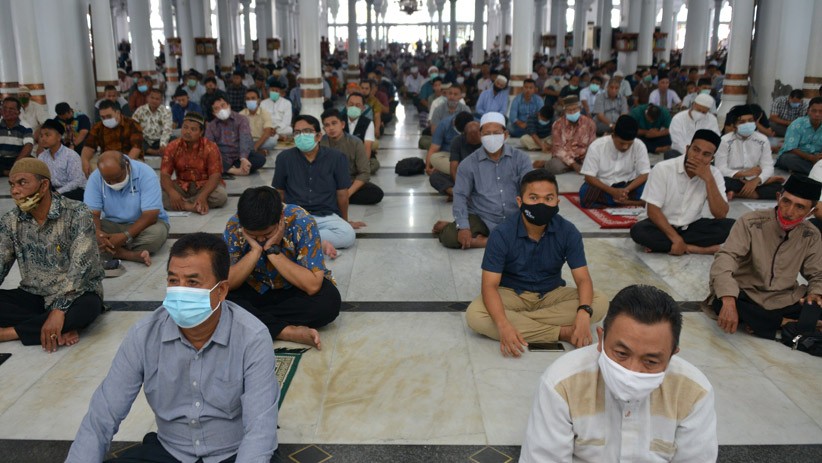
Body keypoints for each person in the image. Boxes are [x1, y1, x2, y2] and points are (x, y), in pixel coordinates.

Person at [66, 233, 280, 463]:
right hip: (170, 450)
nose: (180, 291)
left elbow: (259, 430)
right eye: (173, 281)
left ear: (221, 291)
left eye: (192, 282)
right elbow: (102, 416)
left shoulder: (252, 337)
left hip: (233, 452)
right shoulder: (144, 335)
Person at [520, 284, 717, 462]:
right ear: (601, 340)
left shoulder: (694, 393)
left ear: (672, 355)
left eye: (650, 361)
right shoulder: (561, 384)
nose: (632, 371)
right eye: (621, 354)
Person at [465, 169, 607, 355]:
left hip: (551, 293)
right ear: (520, 201)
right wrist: (503, 323)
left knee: (600, 302)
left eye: (548, 198)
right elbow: (489, 286)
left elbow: (583, 280)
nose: (541, 204)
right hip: (511, 295)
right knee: (475, 315)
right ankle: (562, 332)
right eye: (533, 198)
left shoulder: (568, 231)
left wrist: (582, 312)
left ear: (557, 201)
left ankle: (520, 322)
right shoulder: (502, 234)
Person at [0, 158, 103, 351]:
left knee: (88, 308)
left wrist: (59, 309)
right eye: (12, 184)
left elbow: (81, 268)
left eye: (22, 183)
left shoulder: (77, 213)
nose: (15, 191)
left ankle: (10, 333)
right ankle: (55, 327)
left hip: (76, 294)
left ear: (44, 184)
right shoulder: (11, 221)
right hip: (33, 294)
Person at [224, 187, 341, 349]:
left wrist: (273, 251)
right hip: (255, 288)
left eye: (266, 234)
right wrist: (255, 251)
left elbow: (312, 285)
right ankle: (286, 331)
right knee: (220, 298)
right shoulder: (234, 225)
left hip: (294, 289)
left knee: (328, 303)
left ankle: (256, 321)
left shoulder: (301, 221)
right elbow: (228, 282)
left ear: (280, 218)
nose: (260, 240)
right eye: (253, 236)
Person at [709, 175, 822, 340]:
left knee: (815, 304)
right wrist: (728, 299)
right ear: (778, 197)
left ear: (810, 212)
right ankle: (786, 323)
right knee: (721, 303)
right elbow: (726, 257)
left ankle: (768, 323)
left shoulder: (811, 234)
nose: (790, 212)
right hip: (748, 295)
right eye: (786, 202)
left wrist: (815, 294)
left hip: (784, 299)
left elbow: (818, 274)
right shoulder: (751, 222)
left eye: (799, 207)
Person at [432, 112, 533, 249]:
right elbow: (460, 196)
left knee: (545, 230)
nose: (492, 137)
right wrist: (463, 226)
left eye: (496, 133)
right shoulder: (468, 164)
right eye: (487, 133)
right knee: (450, 237)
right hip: (483, 217)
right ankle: (463, 228)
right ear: (480, 136)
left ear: (506, 135)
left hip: (515, 216)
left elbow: (531, 190)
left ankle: (484, 241)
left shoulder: (521, 159)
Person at [630, 129, 734, 255]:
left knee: (732, 227)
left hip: (691, 226)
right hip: (661, 226)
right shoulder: (663, 168)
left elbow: (721, 214)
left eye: (706, 154)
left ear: (712, 158)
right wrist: (676, 238)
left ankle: (669, 246)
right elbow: (653, 211)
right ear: (687, 148)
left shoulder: (714, 174)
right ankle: (695, 248)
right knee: (639, 231)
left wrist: (708, 180)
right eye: (695, 150)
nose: (699, 157)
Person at [273, 115, 358, 259]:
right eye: (297, 132)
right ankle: (319, 242)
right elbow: (279, 193)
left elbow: (342, 195)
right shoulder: (284, 158)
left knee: (348, 235)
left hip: (326, 216)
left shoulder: (336, 158)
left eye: (306, 131)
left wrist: (344, 221)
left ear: (318, 136)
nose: (301, 136)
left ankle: (297, 241)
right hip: (295, 216)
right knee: (275, 231)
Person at [85, 151, 170, 266]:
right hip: (113, 224)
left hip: (145, 224)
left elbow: (151, 216)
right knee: (84, 231)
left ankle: (108, 248)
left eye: (117, 178)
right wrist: (98, 234)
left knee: (155, 236)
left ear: (127, 165)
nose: (114, 183)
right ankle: (130, 255)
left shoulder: (146, 173)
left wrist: (125, 236)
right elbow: (92, 214)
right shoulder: (95, 178)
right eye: (108, 180)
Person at [161, 113, 227, 214]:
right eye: (185, 127)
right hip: (182, 185)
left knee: (221, 196)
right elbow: (164, 174)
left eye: (193, 129)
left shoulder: (210, 147)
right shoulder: (172, 146)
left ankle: (186, 203)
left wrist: (203, 196)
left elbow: (215, 176)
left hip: (204, 186)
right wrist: (172, 193)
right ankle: (192, 206)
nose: (187, 132)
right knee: (159, 194)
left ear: (201, 132)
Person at [579, 116, 650, 208]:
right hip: (604, 186)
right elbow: (589, 177)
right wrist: (612, 191)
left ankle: (618, 202)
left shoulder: (639, 145)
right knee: (585, 193)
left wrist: (626, 190)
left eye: (629, 144)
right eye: (622, 143)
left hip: (629, 185)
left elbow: (644, 174)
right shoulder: (597, 146)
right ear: (613, 136)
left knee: (650, 188)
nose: (625, 147)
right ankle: (630, 203)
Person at [715, 105, 783, 200]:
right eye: (742, 122)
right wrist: (743, 174)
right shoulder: (725, 140)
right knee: (720, 181)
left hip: (754, 179)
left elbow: (768, 166)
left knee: (779, 189)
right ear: (734, 125)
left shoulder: (762, 140)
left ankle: (736, 194)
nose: (747, 124)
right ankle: (754, 191)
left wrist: (756, 181)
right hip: (733, 178)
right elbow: (720, 168)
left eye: (750, 120)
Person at [320, 108, 384, 205]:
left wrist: (347, 194)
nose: (331, 128)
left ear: (342, 124)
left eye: (334, 123)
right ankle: (333, 197)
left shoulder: (355, 142)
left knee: (376, 193)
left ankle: (336, 198)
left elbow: (364, 173)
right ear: (324, 129)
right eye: (327, 125)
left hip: (350, 182)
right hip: (329, 183)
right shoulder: (320, 143)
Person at [205, 96, 266, 177]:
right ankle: (233, 170)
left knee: (260, 159)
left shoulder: (241, 119)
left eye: (223, 105)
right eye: (217, 108)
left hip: (239, 156)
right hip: (222, 157)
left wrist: (243, 158)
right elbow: (209, 146)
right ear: (213, 113)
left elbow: (245, 139)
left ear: (229, 105)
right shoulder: (211, 125)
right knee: (207, 158)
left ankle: (226, 169)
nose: (221, 110)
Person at [81, 100, 143, 176]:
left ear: (118, 113)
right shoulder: (98, 127)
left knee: (136, 169)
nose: (106, 119)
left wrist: (125, 164)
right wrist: (85, 161)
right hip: (107, 159)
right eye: (103, 117)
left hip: (130, 158)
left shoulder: (132, 124)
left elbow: (136, 148)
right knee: (89, 167)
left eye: (109, 116)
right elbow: (88, 147)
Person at [540, 96, 596, 174]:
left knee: (599, 164)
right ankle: (546, 164)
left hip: (583, 157)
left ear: (580, 109)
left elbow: (592, 145)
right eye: (569, 110)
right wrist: (573, 164)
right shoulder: (557, 124)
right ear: (564, 111)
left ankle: (570, 168)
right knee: (554, 166)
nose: (572, 112)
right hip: (564, 158)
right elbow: (558, 148)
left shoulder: (589, 123)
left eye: (575, 109)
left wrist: (587, 160)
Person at [429, 118, 482, 200]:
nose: (474, 143)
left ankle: (463, 194)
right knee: (435, 176)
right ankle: (457, 193)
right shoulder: (457, 141)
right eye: (471, 139)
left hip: (481, 176)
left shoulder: (486, 141)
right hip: (462, 176)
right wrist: (459, 185)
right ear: (464, 135)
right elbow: (453, 167)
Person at [36, 119, 86, 201]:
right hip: (54, 190)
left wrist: (58, 193)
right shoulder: (42, 157)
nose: (43, 138)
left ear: (59, 137)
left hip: (74, 191)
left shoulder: (71, 155)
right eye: (41, 136)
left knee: (57, 200)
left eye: (47, 135)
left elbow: (77, 182)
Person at [775, 96, 822, 176]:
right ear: (808, 111)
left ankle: (814, 171)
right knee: (788, 159)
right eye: (814, 111)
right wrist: (811, 158)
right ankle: (817, 172)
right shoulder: (797, 124)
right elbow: (791, 148)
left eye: (821, 111)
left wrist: (818, 157)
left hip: (816, 158)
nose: (817, 114)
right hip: (797, 156)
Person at [668, 93, 719, 158]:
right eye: (698, 110)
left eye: (704, 112)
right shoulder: (678, 118)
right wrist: (692, 154)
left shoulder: (711, 119)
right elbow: (677, 142)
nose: (700, 113)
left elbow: (714, 139)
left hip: (703, 155)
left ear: (708, 111)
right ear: (693, 105)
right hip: (681, 153)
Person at [131, 88, 173, 156]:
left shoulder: (166, 112)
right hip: (145, 141)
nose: (154, 101)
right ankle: (152, 152)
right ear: (148, 98)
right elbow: (133, 127)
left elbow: (167, 130)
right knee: (135, 139)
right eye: (152, 98)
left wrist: (163, 145)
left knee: (174, 140)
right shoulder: (140, 110)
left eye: (157, 99)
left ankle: (159, 151)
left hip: (159, 141)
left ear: (161, 100)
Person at [0, 97, 34, 173]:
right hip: (1, 160)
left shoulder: (25, 127)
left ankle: (8, 172)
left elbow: (28, 146)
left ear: (18, 112)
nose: (7, 111)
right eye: (4, 108)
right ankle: (7, 172)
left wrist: (16, 165)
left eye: (11, 109)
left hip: (18, 159)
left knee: (32, 163)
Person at [240, 88, 277, 154]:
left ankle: (252, 151)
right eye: (248, 99)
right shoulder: (241, 114)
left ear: (259, 100)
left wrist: (255, 147)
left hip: (261, 140)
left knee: (273, 141)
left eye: (253, 98)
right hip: (247, 141)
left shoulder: (265, 113)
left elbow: (267, 132)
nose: (250, 101)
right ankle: (260, 152)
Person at [343, 92, 378, 159]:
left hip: (359, 157)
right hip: (342, 157)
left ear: (363, 108)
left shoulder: (368, 123)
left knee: (374, 164)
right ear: (346, 106)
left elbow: (367, 148)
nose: (354, 107)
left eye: (358, 105)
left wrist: (362, 167)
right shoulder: (339, 121)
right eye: (351, 104)